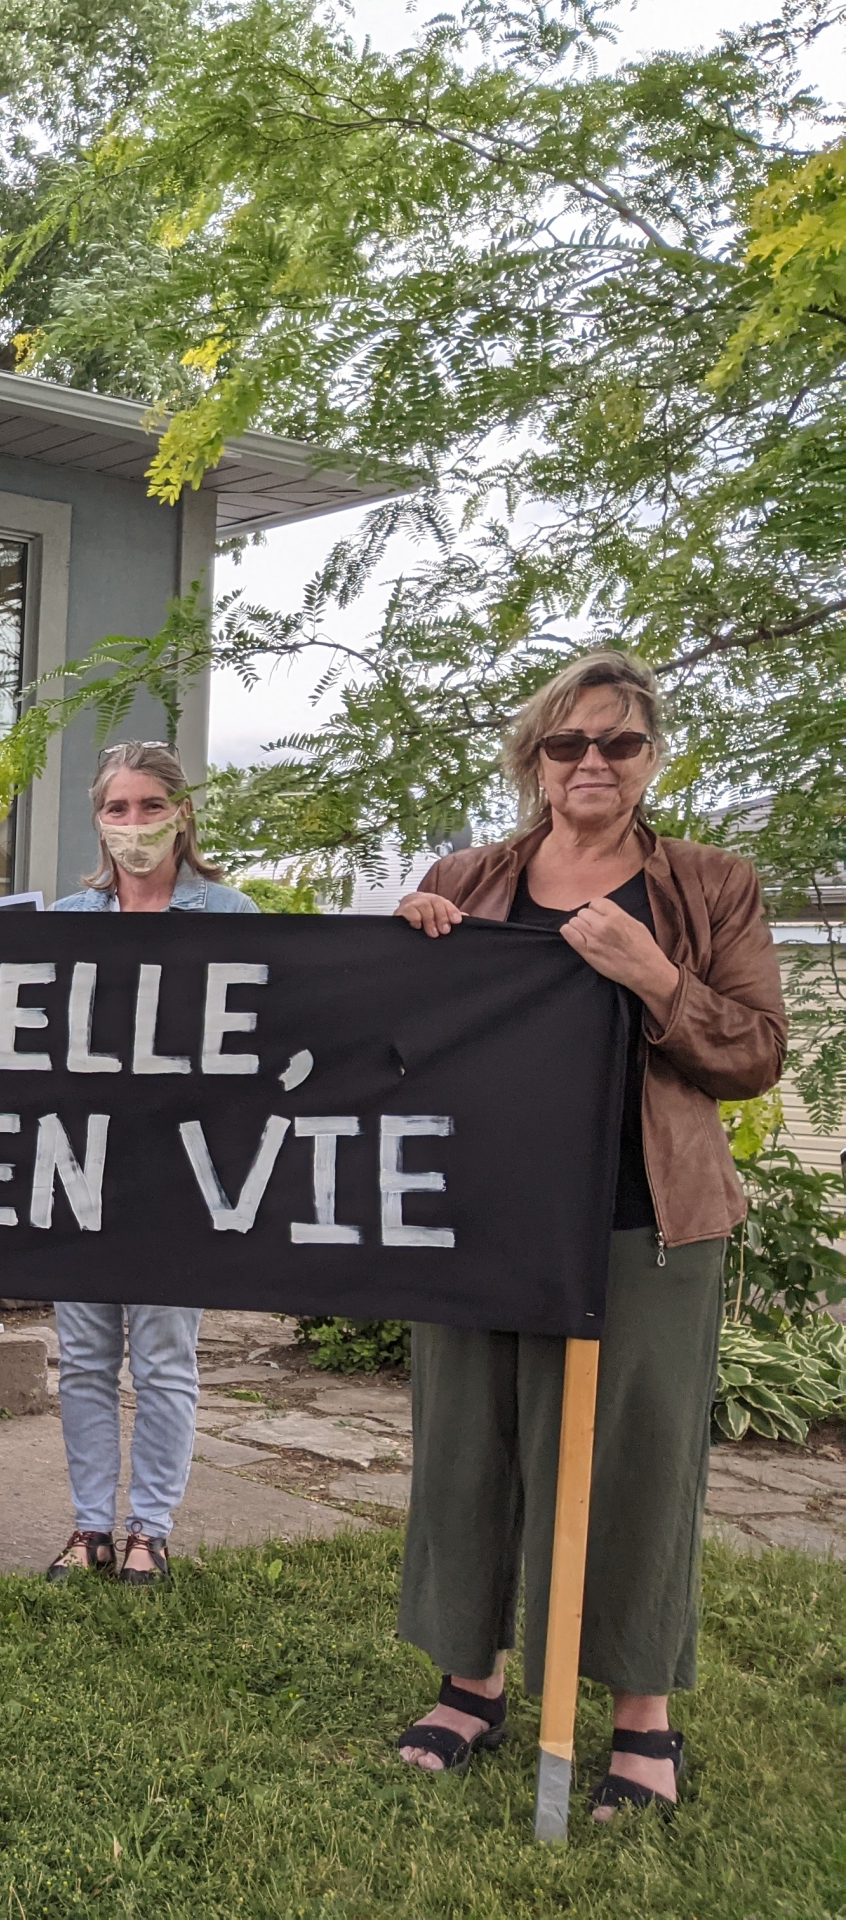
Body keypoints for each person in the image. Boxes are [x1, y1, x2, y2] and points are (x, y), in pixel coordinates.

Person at [389, 651, 781, 1820]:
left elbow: (755, 1053)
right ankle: (470, 1682)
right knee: (467, 1446)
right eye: (568, 744)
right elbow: (395, 1050)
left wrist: (656, 977)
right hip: (476, 1216)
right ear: (536, 762)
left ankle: (639, 1717)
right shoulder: (466, 877)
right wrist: (403, 959)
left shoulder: (710, 886)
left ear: (651, 758)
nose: (592, 763)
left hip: (643, 1217)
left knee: (636, 1465)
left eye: (617, 742)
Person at [44, 740, 257, 1588]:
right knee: (85, 1355)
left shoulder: (231, 915)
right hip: (81, 1166)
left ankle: (150, 1531)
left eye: (150, 807)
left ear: (182, 814)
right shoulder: (64, 922)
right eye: (117, 809)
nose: (134, 824)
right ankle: (91, 1525)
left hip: (183, 1171)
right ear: (98, 822)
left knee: (165, 1356)